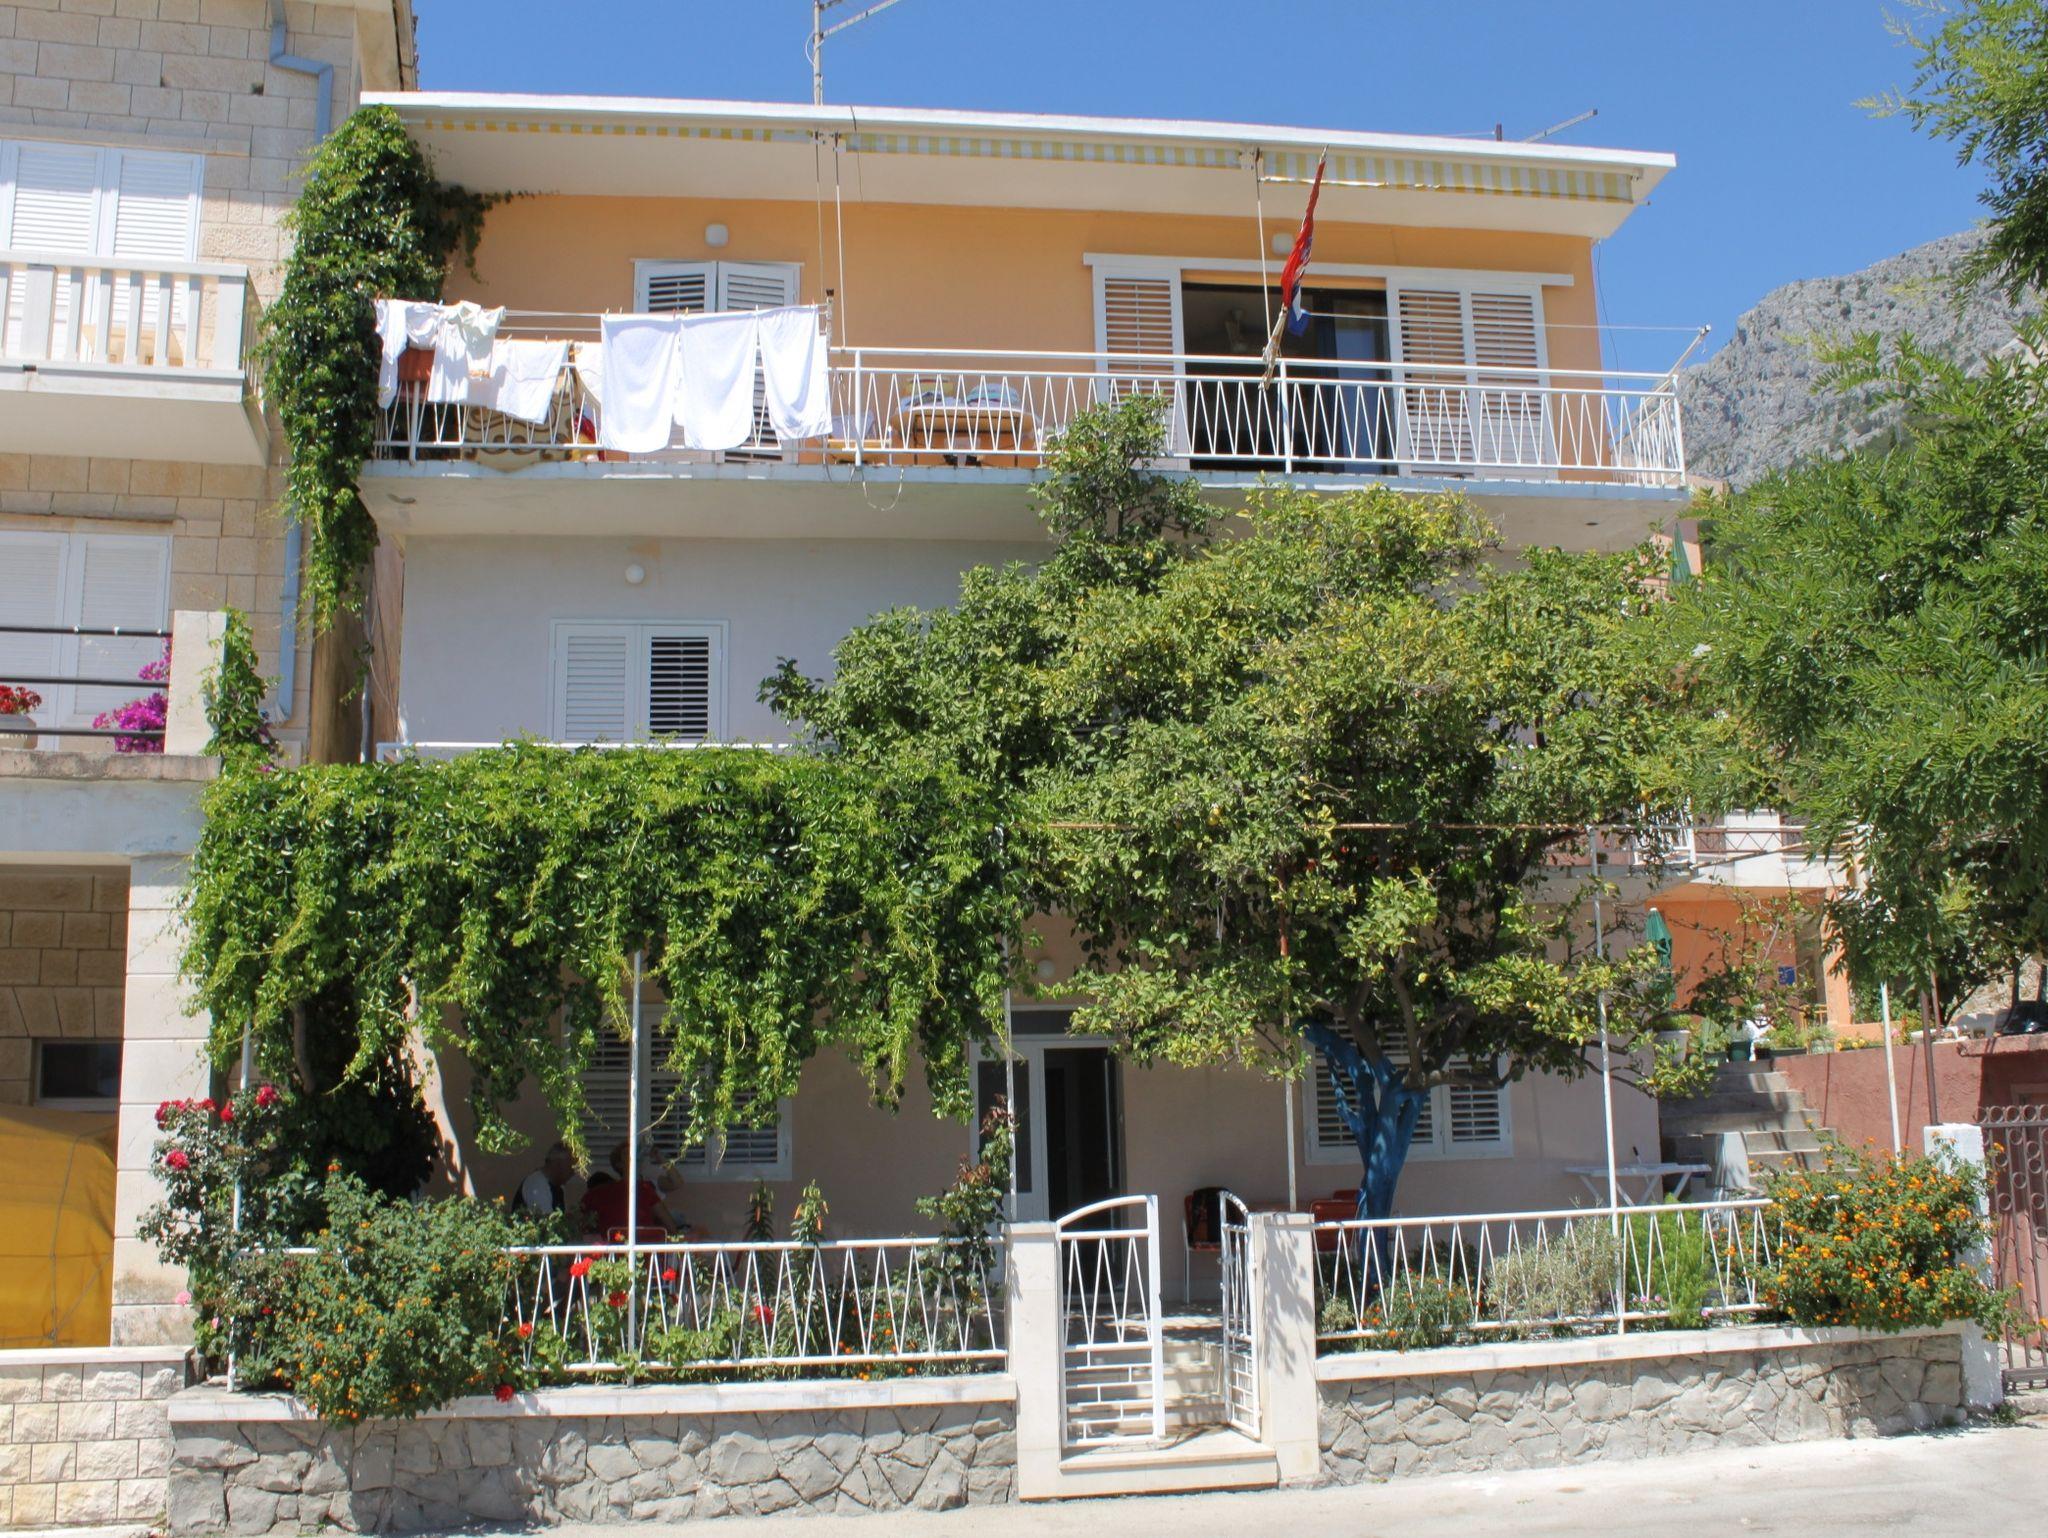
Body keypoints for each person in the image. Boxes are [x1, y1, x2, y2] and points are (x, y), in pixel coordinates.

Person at [580, 1140, 686, 1238]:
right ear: (619, 1164)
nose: (633, 1155)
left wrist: (661, 1158)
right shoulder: (600, 1193)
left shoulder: (649, 1183)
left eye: (635, 1151)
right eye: (627, 1153)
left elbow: (677, 1182)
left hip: (645, 1240)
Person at [515, 1141, 576, 1219]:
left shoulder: (558, 1187)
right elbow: (546, 1222)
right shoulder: (537, 1185)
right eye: (570, 1167)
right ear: (557, 1164)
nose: (573, 1172)